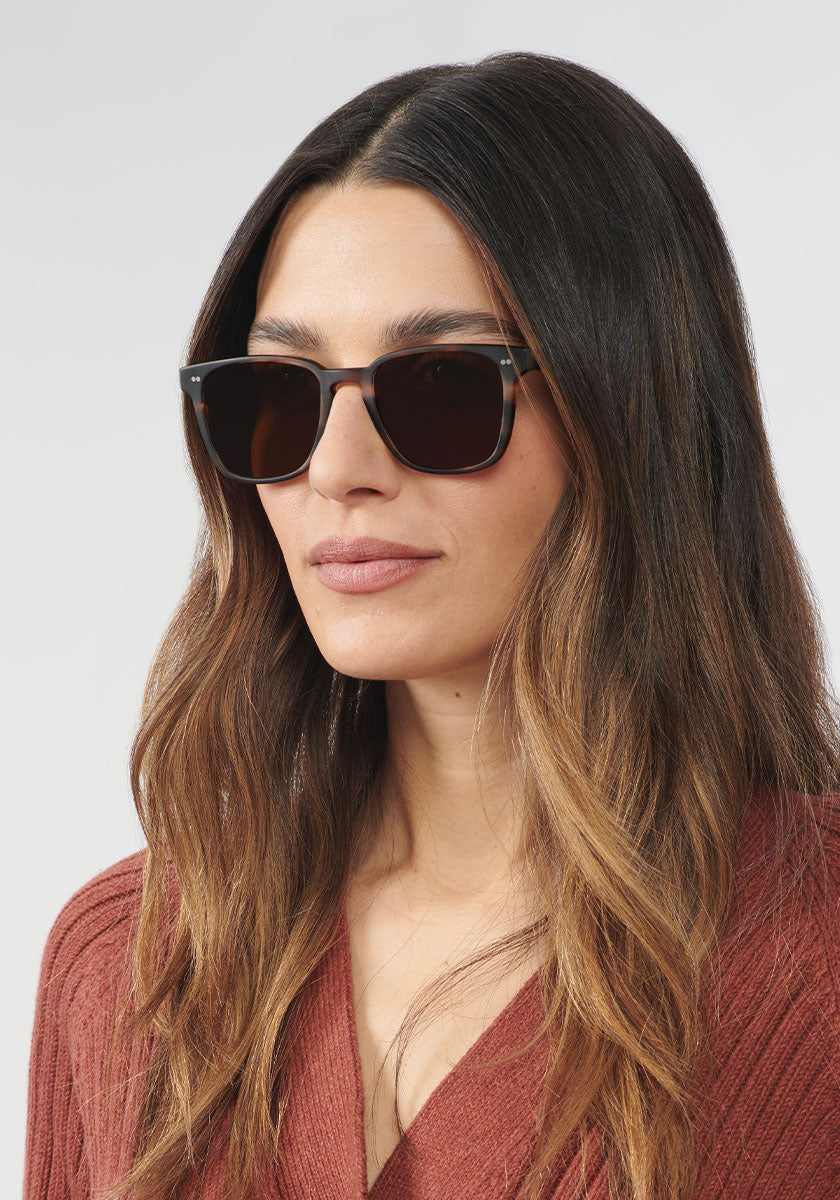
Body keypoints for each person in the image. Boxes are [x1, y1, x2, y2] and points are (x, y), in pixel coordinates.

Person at [23, 50, 840, 1200]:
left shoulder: (815, 958)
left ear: (629, 412)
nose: (336, 469)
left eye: (442, 388)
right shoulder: (127, 970)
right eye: (279, 396)